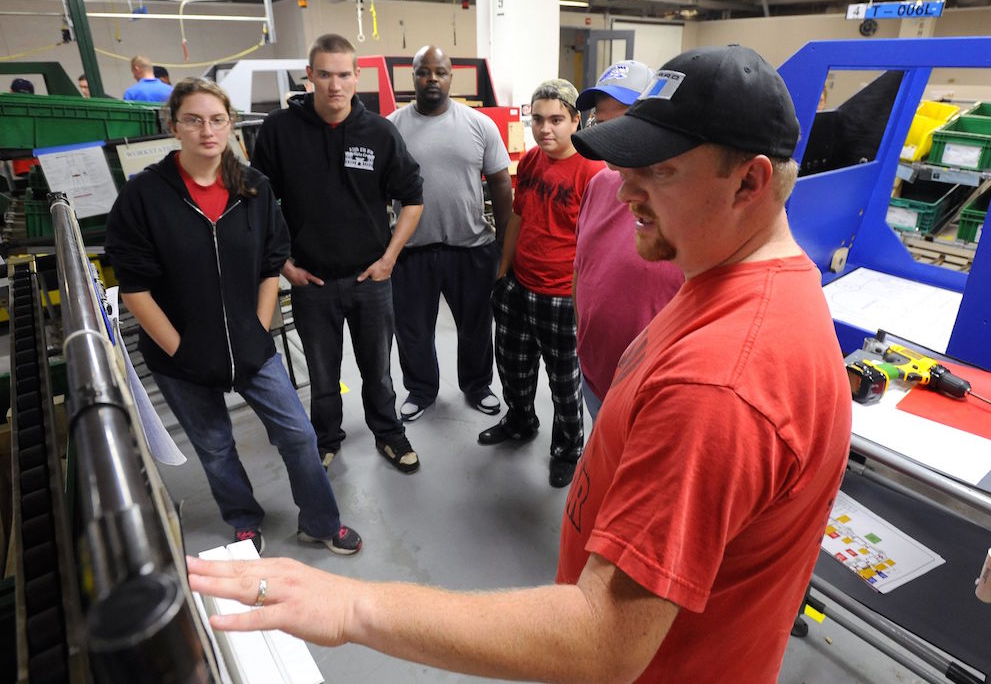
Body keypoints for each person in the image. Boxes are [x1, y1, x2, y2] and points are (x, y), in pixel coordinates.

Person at [187, 45, 851, 684]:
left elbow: (605, 637)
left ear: (749, 181)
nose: (626, 192)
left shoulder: (719, 386)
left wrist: (352, 607)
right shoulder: (724, 282)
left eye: (660, 171)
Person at [105, 78, 362, 557]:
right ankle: (243, 520)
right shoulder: (144, 196)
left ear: (230, 125)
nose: (207, 131)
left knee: (298, 435)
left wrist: (257, 331)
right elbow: (135, 289)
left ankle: (321, 522)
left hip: (251, 346)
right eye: (193, 120)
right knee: (215, 446)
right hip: (179, 357)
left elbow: (270, 265)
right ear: (173, 126)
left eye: (217, 120)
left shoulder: (253, 188)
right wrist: (182, 352)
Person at [251, 33, 424, 473]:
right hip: (311, 283)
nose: (335, 85)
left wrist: (389, 259)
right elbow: (256, 204)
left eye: (344, 75)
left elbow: (413, 198)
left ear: (357, 76)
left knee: (378, 372)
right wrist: (285, 266)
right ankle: (326, 438)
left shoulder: (379, 132)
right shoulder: (279, 131)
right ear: (309, 75)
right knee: (323, 375)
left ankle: (388, 433)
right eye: (325, 75)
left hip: (371, 280)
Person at [479, 78, 603, 488]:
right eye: (537, 120)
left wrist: (582, 298)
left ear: (576, 120)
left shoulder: (593, 171)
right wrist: (503, 272)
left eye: (555, 120)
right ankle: (520, 421)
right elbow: (517, 218)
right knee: (513, 366)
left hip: (562, 297)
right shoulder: (532, 161)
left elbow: (597, 242)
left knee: (564, 382)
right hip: (518, 286)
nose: (545, 129)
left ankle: (567, 449)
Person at [387, 45, 512, 422]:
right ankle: (421, 390)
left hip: (470, 248)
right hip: (412, 251)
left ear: (450, 77)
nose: (432, 79)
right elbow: (376, 190)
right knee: (413, 330)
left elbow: (501, 184)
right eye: (423, 72)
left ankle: (477, 386)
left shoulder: (479, 125)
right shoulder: (391, 127)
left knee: (476, 326)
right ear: (412, 77)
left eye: (439, 72)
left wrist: (506, 243)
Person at [573, 60, 684, 420]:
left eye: (621, 122)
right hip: (596, 377)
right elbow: (582, 268)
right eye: (601, 122)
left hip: (654, 396)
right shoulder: (599, 184)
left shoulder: (685, 199)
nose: (608, 136)